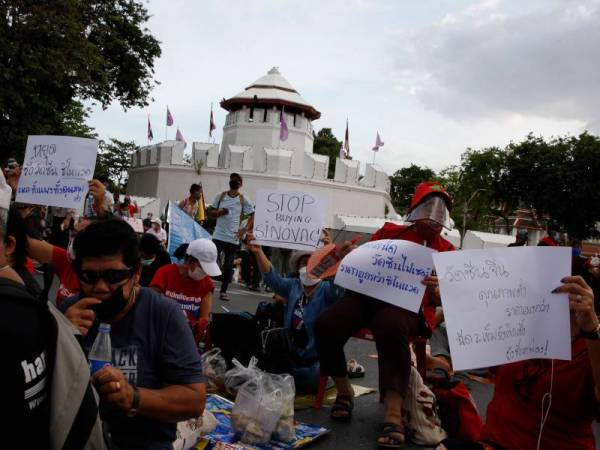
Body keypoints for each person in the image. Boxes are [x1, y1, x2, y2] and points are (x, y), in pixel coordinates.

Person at [314, 181, 455, 449]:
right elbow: (363, 266)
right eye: (428, 206)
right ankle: (344, 392)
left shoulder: (447, 250)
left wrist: (437, 290)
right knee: (326, 323)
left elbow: (444, 300)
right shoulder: (389, 232)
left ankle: (393, 414)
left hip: (408, 308)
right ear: (415, 208)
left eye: (441, 210)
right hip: (367, 298)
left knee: (390, 325)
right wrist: (346, 258)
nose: (434, 216)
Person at [59, 219, 206, 449]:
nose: (100, 287)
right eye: (89, 277)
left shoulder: (164, 315)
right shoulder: (68, 312)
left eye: (113, 277)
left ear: (136, 272)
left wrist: (134, 397)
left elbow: (194, 399)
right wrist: (62, 338)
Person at [0, 173, 105, 449]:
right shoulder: (65, 262)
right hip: (60, 355)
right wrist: (12, 194)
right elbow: (15, 239)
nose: (75, 239)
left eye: (83, 235)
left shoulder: (108, 278)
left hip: (90, 370)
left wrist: (103, 205)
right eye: (75, 233)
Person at [473, 275, 600, 450]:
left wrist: (593, 330)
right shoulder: (518, 331)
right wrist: (456, 304)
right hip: (495, 442)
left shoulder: (590, 348)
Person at [246, 230, 343, 393]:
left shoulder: (327, 290)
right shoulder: (293, 286)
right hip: (287, 360)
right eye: (303, 263)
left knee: (286, 381)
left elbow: (338, 286)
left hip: (312, 366)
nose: (307, 266)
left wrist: (330, 254)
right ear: (297, 267)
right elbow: (272, 278)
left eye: (312, 261)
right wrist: (258, 251)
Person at [150, 239, 221, 347]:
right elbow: (150, 306)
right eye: (202, 268)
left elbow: (203, 321)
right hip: (158, 336)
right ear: (189, 261)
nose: (205, 273)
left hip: (187, 341)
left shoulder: (207, 284)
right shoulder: (165, 273)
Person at [208, 172, 254, 300]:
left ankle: (223, 291)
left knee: (228, 265)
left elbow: (252, 215)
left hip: (233, 239)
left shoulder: (243, 199)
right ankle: (204, 285)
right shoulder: (220, 196)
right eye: (233, 179)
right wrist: (220, 212)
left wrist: (244, 230)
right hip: (218, 235)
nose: (234, 181)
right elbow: (210, 212)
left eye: (237, 179)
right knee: (209, 259)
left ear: (240, 184)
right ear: (230, 181)